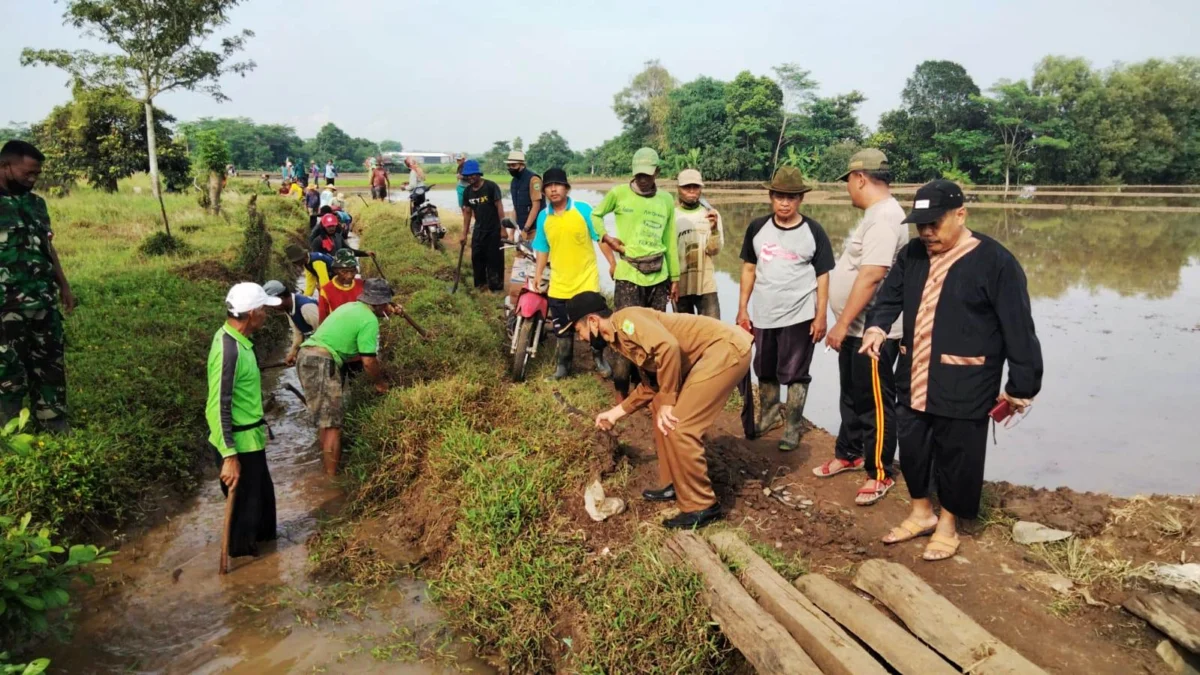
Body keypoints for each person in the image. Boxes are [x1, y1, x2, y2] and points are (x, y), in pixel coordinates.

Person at [862, 179, 1042, 561]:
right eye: (921, 225)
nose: (926, 233)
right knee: (913, 447)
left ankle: (948, 524)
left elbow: (1019, 329)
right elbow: (889, 296)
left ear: (961, 215)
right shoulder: (912, 254)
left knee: (958, 454)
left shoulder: (996, 262)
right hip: (913, 372)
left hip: (966, 379)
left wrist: (1022, 384)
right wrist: (876, 327)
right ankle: (920, 512)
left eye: (934, 224)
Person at [565, 291, 751, 529]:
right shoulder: (618, 339)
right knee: (659, 409)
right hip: (711, 355)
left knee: (679, 424)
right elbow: (652, 385)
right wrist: (615, 413)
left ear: (592, 321)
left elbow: (668, 348)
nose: (580, 338)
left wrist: (669, 401)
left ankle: (702, 505)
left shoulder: (627, 321)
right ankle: (678, 483)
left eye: (578, 330)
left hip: (725, 349)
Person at [814, 150, 910, 505]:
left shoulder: (885, 217)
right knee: (852, 396)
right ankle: (850, 453)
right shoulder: (876, 215)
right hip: (856, 328)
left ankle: (880, 472)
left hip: (873, 332)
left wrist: (839, 323)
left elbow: (871, 276)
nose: (848, 190)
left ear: (859, 178)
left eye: (848, 183)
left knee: (876, 403)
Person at [736, 166, 834, 451]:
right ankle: (768, 416)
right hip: (765, 313)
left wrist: (821, 315)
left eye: (791, 197)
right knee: (764, 368)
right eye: (779, 196)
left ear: (801, 199)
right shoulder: (757, 228)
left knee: (795, 372)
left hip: (800, 314)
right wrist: (743, 308)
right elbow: (749, 268)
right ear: (771, 196)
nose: (784, 202)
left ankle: (792, 425)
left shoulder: (813, 231)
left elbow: (823, 275)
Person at [0, 140, 75, 433]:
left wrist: (63, 285)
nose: (33, 179)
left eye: (37, 175)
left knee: (50, 364)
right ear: (5, 166)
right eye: (28, 173)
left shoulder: (36, 204)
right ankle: (12, 431)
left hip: (42, 302)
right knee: (8, 370)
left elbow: (47, 246)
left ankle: (53, 422)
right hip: (5, 306)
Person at [593, 147, 679, 400]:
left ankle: (652, 389)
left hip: (658, 275)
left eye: (648, 174)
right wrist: (606, 236)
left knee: (656, 335)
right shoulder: (618, 194)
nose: (643, 179)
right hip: (629, 274)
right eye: (639, 174)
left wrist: (675, 278)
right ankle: (622, 389)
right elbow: (595, 216)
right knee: (625, 333)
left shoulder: (665, 200)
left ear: (657, 172)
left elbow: (670, 240)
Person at [206, 282, 281, 558]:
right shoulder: (230, 351)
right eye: (263, 309)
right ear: (251, 313)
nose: (266, 314)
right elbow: (217, 405)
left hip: (251, 441)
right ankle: (243, 581)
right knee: (244, 519)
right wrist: (228, 456)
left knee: (262, 512)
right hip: (238, 446)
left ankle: (266, 565)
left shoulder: (240, 341)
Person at [296, 278, 398, 475]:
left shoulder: (350, 307)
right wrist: (380, 383)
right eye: (386, 303)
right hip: (323, 361)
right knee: (334, 425)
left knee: (324, 421)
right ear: (378, 303)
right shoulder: (369, 320)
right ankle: (331, 480)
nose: (387, 307)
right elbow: (368, 361)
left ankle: (324, 465)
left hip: (306, 356)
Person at [530, 168, 616, 380]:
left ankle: (599, 359)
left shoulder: (584, 210)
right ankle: (563, 367)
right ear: (543, 192)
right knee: (562, 330)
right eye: (548, 186)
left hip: (586, 282)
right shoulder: (543, 217)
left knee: (594, 325)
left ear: (566, 188)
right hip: (559, 284)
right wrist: (538, 274)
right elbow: (542, 248)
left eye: (557, 185)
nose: (553, 190)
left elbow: (600, 238)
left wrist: (613, 263)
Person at [673, 168, 724, 318]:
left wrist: (714, 229)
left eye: (695, 187)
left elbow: (714, 250)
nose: (691, 191)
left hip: (706, 285)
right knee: (684, 334)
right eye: (686, 187)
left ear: (701, 188)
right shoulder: (672, 215)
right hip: (680, 285)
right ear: (678, 189)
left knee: (713, 331)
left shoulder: (711, 214)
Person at [459, 159, 507, 292]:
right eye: (467, 175)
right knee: (477, 257)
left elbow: (499, 207)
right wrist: (464, 233)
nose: (470, 178)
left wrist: (503, 229)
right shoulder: (467, 191)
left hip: (494, 230)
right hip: (479, 230)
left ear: (478, 174)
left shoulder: (491, 187)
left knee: (494, 259)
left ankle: (496, 287)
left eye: (472, 175)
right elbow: (467, 212)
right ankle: (480, 285)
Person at [264, 280, 320, 366]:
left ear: (281, 298)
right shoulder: (289, 307)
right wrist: (292, 354)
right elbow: (298, 333)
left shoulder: (306, 307)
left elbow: (322, 332)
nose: (272, 307)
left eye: (272, 304)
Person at [318, 249, 364, 321]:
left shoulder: (361, 285)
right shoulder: (326, 290)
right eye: (344, 272)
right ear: (335, 270)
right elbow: (323, 319)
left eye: (352, 271)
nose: (349, 276)